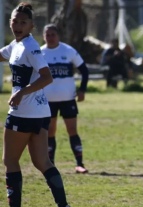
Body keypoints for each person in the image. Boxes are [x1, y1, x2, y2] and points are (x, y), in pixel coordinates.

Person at [0, 2, 75, 207]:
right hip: (41, 112)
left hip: (24, 112)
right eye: (15, 21)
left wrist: (21, 93)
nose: (18, 25)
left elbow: (46, 77)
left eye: (23, 22)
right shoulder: (16, 45)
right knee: (42, 162)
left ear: (32, 26)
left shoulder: (31, 48)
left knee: (10, 161)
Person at [41, 24, 89, 174]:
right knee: (50, 131)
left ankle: (79, 164)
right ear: (43, 36)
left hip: (68, 99)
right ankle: (50, 164)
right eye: (47, 35)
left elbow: (84, 71)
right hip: (48, 100)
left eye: (53, 34)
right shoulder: (40, 53)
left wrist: (82, 90)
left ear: (58, 35)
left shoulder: (68, 51)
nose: (50, 37)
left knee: (72, 130)